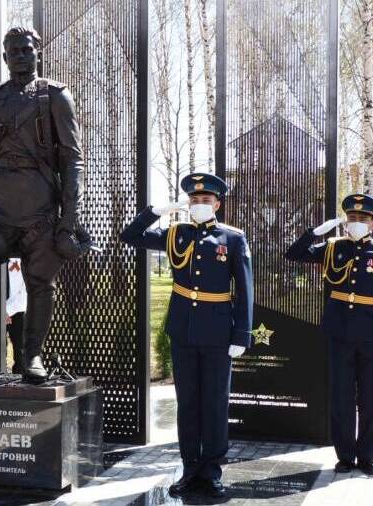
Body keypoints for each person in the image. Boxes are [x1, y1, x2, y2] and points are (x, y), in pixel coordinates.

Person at [0, 26, 92, 384]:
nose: (21, 56)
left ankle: (32, 356)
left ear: (38, 53)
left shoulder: (55, 96)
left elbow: (73, 160)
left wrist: (68, 220)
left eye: (27, 50)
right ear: (5, 56)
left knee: (40, 283)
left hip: (40, 210)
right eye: (14, 51)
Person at [120, 172, 253, 499]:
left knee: (215, 403)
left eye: (205, 200)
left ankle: (212, 471)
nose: (199, 204)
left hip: (218, 334)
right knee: (188, 403)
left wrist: (241, 335)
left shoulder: (232, 238)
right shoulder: (175, 234)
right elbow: (130, 235)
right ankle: (190, 467)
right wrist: (156, 211)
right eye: (194, 200)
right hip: (183, 332)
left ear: (217, 204)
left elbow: (245, 290)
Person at [285, 194, 373, 476]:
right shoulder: (332, 247)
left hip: (372, 335)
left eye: (362, 219)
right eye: (352, 218)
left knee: (372, 398)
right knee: (341, 397)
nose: (356, 222)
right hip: (339, 332)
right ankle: (345, 456)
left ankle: (368, 457)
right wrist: (314, 233)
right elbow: (294, 254)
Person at [6, 258, 27, 374]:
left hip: (18, 309)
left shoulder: (26, 263)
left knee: (19, 346)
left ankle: (19, 374)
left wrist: (7, 311)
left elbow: (23, 293)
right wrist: (3, 311)